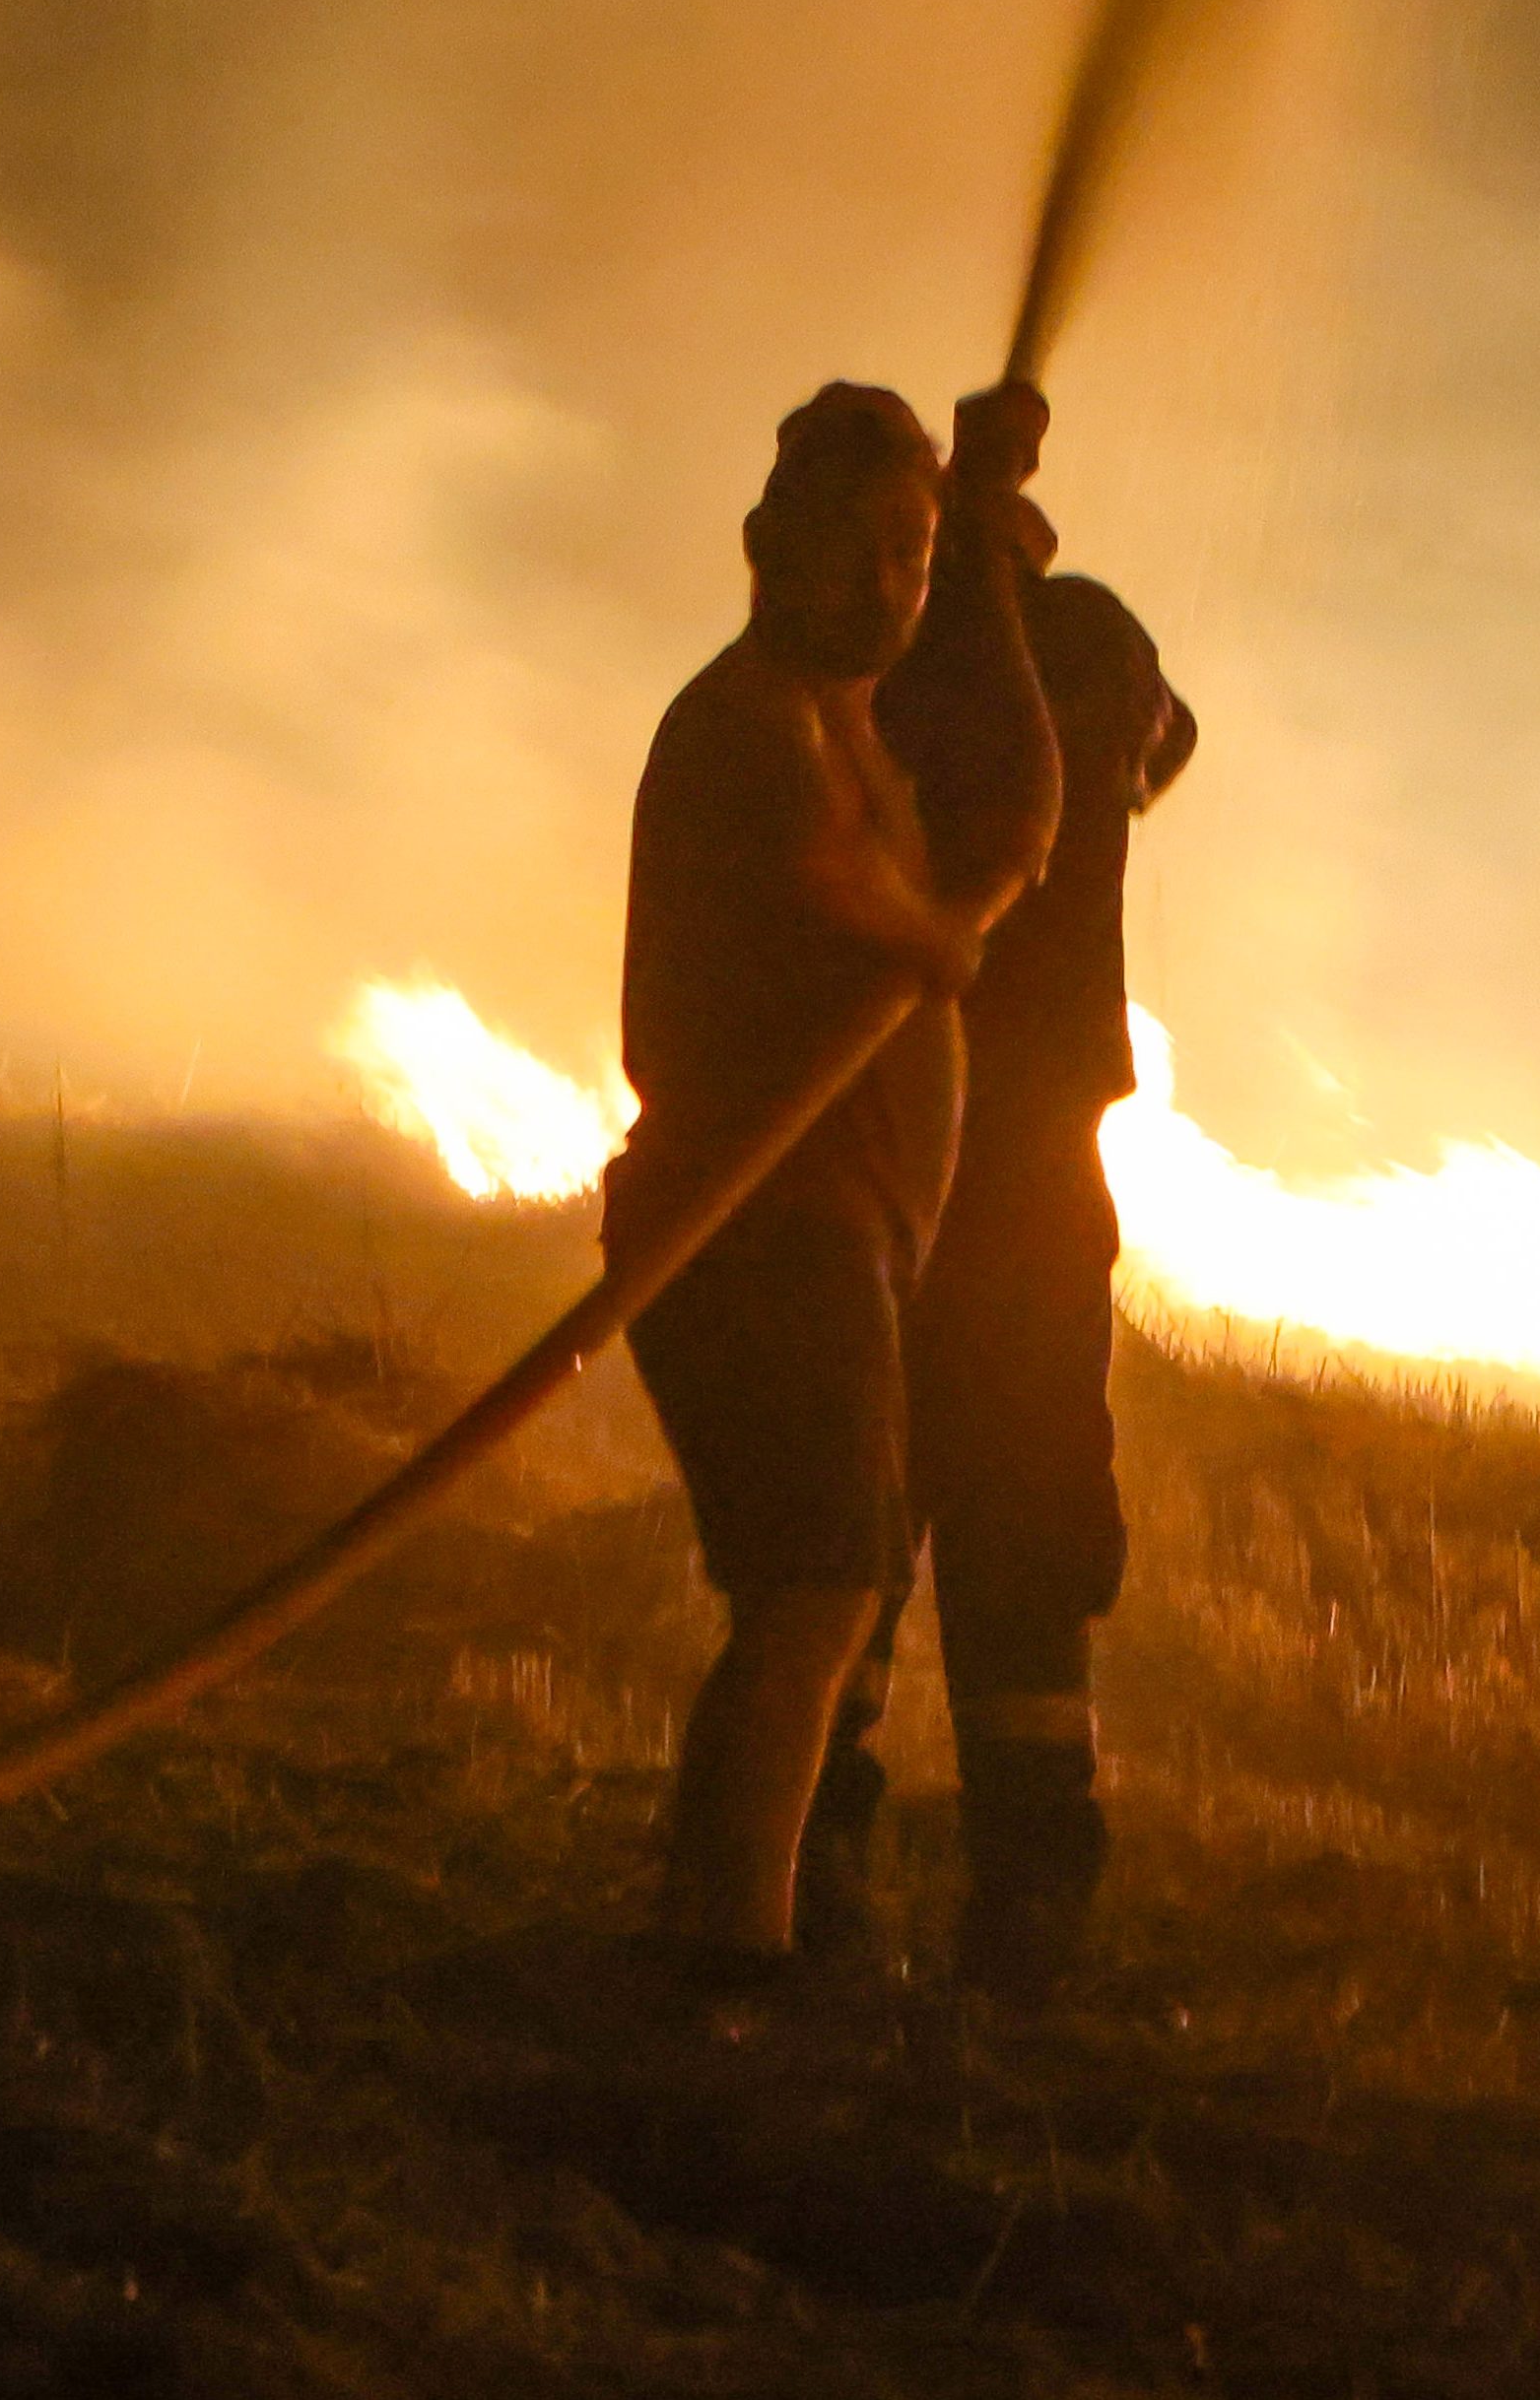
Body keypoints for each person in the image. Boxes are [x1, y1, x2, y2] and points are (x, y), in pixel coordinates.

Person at [602, 378, 1055, 1987]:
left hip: (828, 1233)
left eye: (913, 556)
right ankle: (727, 1958)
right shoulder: (745, 722)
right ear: (759, 546)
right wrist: (941, 927)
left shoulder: (847, 713)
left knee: (814, 1596)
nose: (887, 586)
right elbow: (840, 886)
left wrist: (988, 534)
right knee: (816, 1596)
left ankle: (715, 1938)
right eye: (855, 550)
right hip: (753, 1227)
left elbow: (997, 759)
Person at [799, 568, 1194, 1997]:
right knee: (897, 1513)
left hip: (943, 1147)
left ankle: (879, 1874)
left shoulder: (905, 657)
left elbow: (1155, 737)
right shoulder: (1036, 646)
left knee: (904, 1512)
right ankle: (973, 1890)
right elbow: (1162, 740)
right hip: (942, 1147)